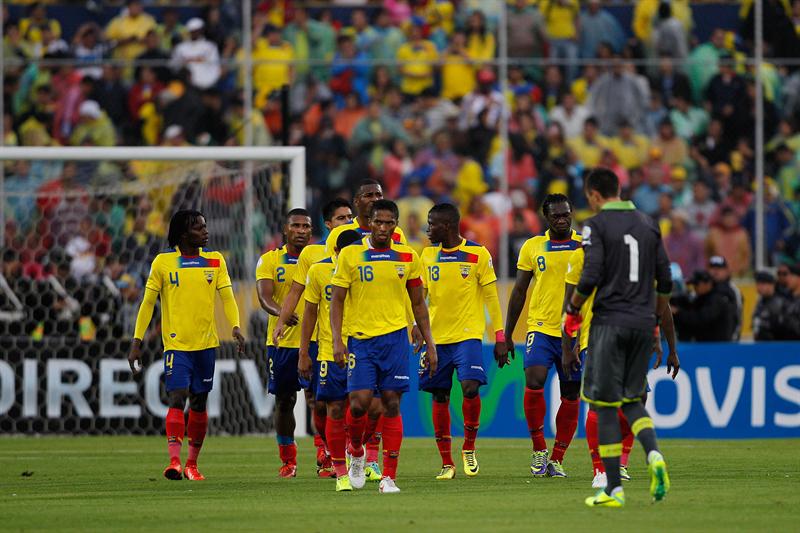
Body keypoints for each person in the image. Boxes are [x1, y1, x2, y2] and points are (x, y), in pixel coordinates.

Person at [562, 167, 673, 507]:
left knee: (604, 406)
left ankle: (612, 489)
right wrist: (654, 326)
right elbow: (665, 281)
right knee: (633, 401)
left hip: (608, 322)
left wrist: (573, 311)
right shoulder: (648, 223)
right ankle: (653, 455)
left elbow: (591, 273)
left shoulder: (594, 226)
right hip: (641, 322)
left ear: (594, 194)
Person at [128, 210, 245, 481]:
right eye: (199, 228)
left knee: (199, 403)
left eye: (205, 226)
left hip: (206, 345)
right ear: (183, 234)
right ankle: (174, 461)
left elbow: (227, 297)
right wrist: (136, 341)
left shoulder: (215, 261)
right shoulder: (163, 263)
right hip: (176, 344)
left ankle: (192, 463)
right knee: (177, 396)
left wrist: (236, 325)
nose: (206, 231)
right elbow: (147, 303)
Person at [330, 199, 438, 494]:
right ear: (370, 222)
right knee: (358, 403)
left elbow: (418, 303)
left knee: (391, 404)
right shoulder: (352, 255)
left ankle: (389, 477)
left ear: (395, 225)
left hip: (395, 341)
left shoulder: (407, 257)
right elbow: (337, 300)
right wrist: (337, 339)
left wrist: (430, 344)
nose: (382, 227)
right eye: (377, 221)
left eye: (389, 223)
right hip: (362, 340)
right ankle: (356, 451)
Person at [419, 203, 506, 480]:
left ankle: (469, 447)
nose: (428, 229)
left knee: (470, 388)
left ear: (447, 226)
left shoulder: (477, 254)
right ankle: (447, 462)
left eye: (432, 224)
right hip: (436, 338)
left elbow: (491, 297)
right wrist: (415, 326)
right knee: (439, 394)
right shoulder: (427, 255)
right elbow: (420, 296)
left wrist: (500, 335)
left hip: (468, 334)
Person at [272, 198, 354, 476]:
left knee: (339, 401)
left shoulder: (359, 253)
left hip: (348, 339)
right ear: (328, 224)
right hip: (318, 339)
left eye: (349, 218)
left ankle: (336, 454)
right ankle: (325, 452)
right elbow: (297, 292)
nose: (347, 223)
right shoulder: (312, 255)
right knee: (315, 401)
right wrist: (282, 321)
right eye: (341, 218)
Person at [503, 193, 583, 478]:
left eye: (566, 214)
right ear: (545, 218)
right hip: (541, 327)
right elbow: (520, 291)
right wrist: (507, 334)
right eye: (556, 215)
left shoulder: (584, 245)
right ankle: (539, 449)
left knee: (571, 393)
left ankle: (557, 457)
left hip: (575, 332)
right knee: (534, 380)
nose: (562, 219)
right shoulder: (533, 246)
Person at [299, 229, 364, 491]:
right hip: (329, 351)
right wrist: (304, 352)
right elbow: (310, 313)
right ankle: (340, 472)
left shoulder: (367, 270)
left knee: (360, 408)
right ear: (336, 252)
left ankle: (357, 449)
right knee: (334, 409)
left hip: (362, 348)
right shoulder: (318, 271)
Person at [255, 208, 313, 478]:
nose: (301, 230)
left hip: (316, 339)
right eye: (296, 226)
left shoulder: (320, 259)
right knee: (284, 400)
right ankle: (288, 459)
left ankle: (326, 457)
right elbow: (264, 297)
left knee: (320, 400)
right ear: (285, 230)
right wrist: (283, 313)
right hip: (282, 343)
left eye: (306, 226)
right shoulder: (269, 260)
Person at [672, 270, 736, 342]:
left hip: (717, 346)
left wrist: (678, 312)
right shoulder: (702, 298)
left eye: (696, 284)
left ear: (708, 284)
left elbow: (701, 319)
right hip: (707, 345)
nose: (694, 287)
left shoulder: (717, 299)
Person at [707, 255, 743, 340]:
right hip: (705, 343)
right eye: (712, 268)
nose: (715, 271)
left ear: (727, 271)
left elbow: (738, 317)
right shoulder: (703, 289)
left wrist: (733, 340)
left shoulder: (734, 291)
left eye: (719, 268)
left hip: (727, 343)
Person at [752, 270, 792, 341]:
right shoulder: (761, 302)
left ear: (772, 285)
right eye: (757, 283)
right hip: (761, 346)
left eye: (762, 283)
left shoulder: (780, 303)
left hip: (775, 347)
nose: (759, 287)